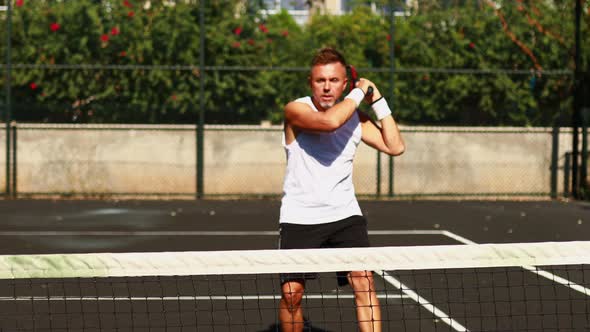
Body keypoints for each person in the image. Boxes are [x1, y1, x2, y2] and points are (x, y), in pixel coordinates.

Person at [278, 47, 406, 332]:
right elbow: (329, 122)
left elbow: (395, 146)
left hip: (345, 215)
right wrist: (360, 93)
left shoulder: (357, 119)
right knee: (291, 295)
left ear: (344, 83)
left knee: (364, 282)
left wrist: (379, 100)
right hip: (300, 217)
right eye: (320, 80)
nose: (326, 87)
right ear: (310, 83)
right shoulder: (295, 110)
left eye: (334, 80)